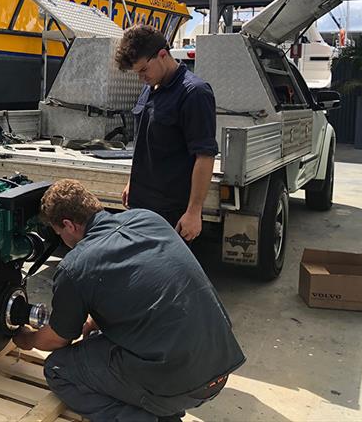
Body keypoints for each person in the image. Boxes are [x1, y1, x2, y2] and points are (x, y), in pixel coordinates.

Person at [14, 179, 245, 422]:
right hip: (220, 368)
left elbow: (58, 339)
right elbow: (146, 285)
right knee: (97, 342)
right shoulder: (148, 219)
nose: (61, 239)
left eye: (59, 232)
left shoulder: (75, 267)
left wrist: (26, 339)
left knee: (58, 369)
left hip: (181, 384)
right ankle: (163, 410)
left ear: (69, 225)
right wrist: (95, 319)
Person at [115, 25, 218, 241]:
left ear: (162, 54)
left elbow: (205, 156)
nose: (141, 77)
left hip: (171, 213)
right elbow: (145, 141)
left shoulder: (194, 93)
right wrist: (132, 181)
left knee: (167, 273)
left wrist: (193, 211)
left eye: (143, 70)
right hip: (140, 205)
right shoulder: (150, 88)